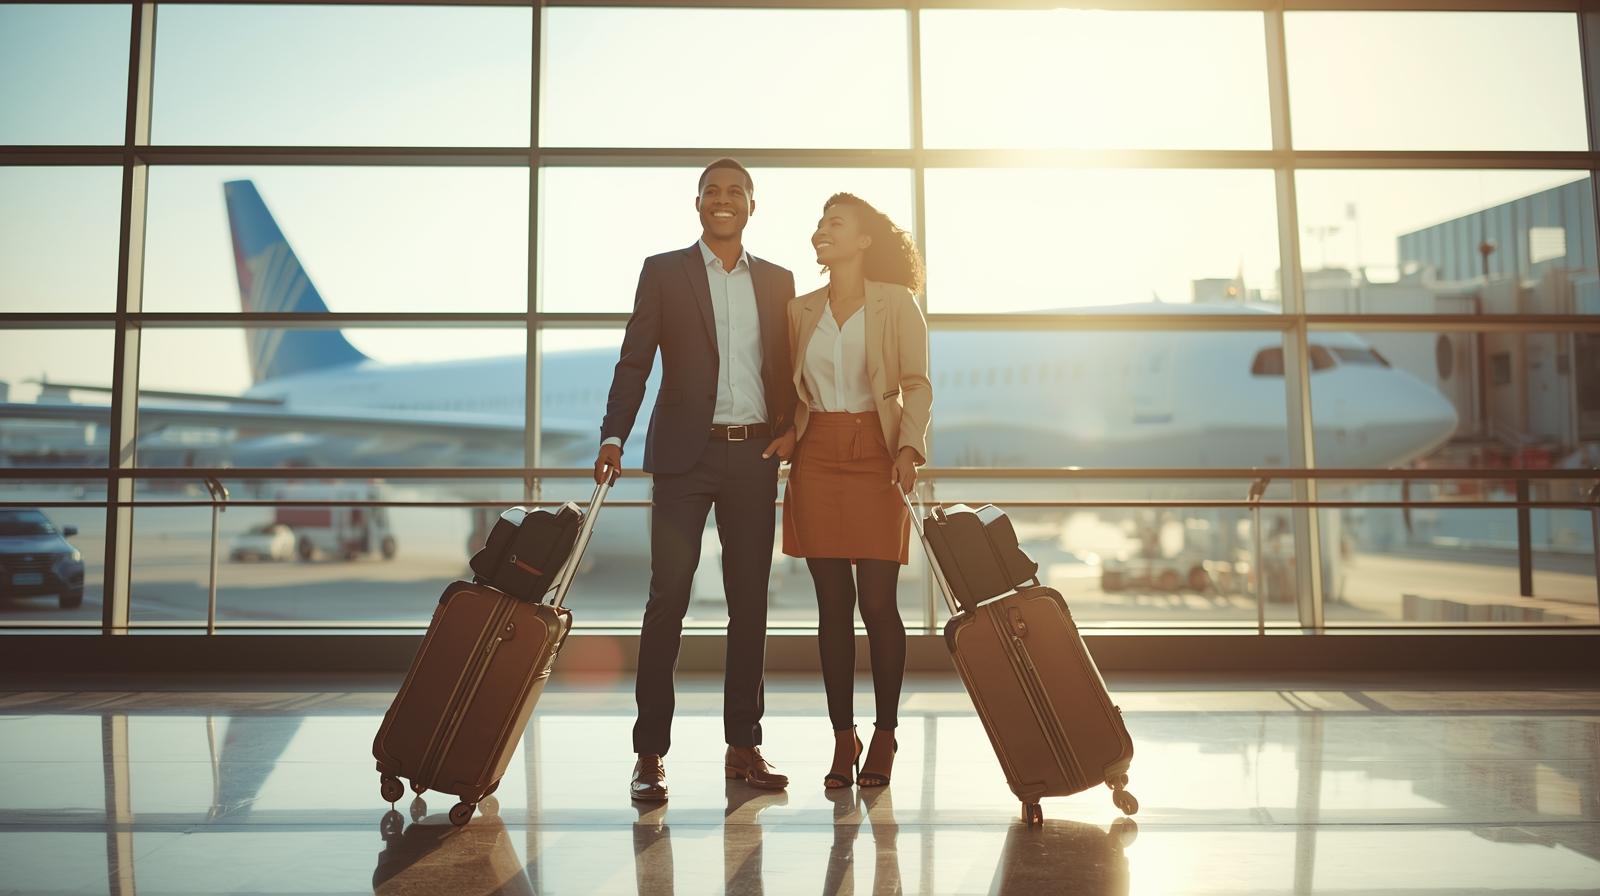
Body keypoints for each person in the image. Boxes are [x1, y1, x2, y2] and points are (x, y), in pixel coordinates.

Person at [595, 158, 798, 802]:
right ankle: (650, 754)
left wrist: (791, 426)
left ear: (752, 205)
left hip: (753, 458)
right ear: (698, 203)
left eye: (735, 191)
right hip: (685, 458)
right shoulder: (663, 272)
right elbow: (635, 359)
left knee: (750, 605)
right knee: (668, 601)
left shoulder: (778, 281)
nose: (723, 200)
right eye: (713, 191)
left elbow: (789, 369)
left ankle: (744, 748)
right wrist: (612, 435)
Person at [780, 192, 930, 789]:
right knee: (832, 609)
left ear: (864, 240)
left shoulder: (897, 304)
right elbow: (794, 390)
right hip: (817, 455)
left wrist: (909, 448)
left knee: (877, 603)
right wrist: (788, 436)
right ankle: (844, 738)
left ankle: (886, 734)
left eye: (834, 224)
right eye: (818, 223)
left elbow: (917, 383)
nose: (821, 230)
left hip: (876, 452)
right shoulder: (800, 310)